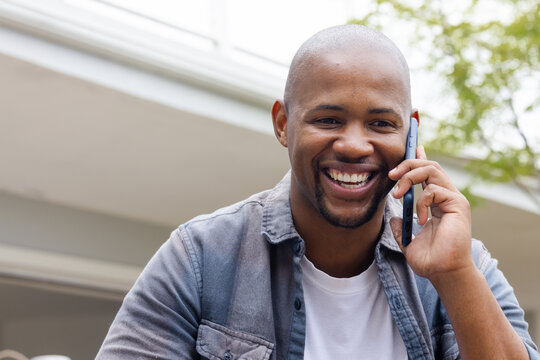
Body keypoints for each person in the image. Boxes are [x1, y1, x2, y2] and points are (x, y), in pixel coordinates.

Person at [96, 25, 539, 359]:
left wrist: (456, 277)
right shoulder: (200, 257)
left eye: (381, 123)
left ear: (411, 131)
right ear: (283, 124)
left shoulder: (464, 265)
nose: (353, 144)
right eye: (327, 119)